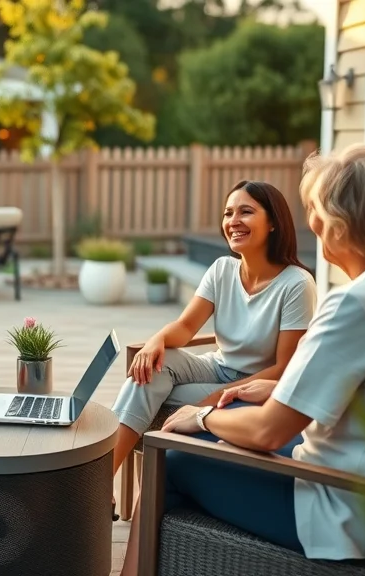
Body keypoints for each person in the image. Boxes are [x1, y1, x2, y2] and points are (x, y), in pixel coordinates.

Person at [119, 144, 365, 574]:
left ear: (341, 220)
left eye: (316, 208)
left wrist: (199, 419)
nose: (312, 221)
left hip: (343, 510)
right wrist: (276, 387)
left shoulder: (360, 302)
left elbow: (269, 431)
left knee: (171, 456)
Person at [110, 180, 317, 514]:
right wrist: (156, 340)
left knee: (149, 388)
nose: (233, 221)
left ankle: (123, 491)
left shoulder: (296, 284)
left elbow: (284, 368)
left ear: (274, 221)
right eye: (228, 213)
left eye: (246, 211)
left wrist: (213, 400)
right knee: (151, 371)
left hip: (257, 388)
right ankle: (105, 480)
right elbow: (187, 327)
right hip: (216, 366)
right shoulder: (222, 269)